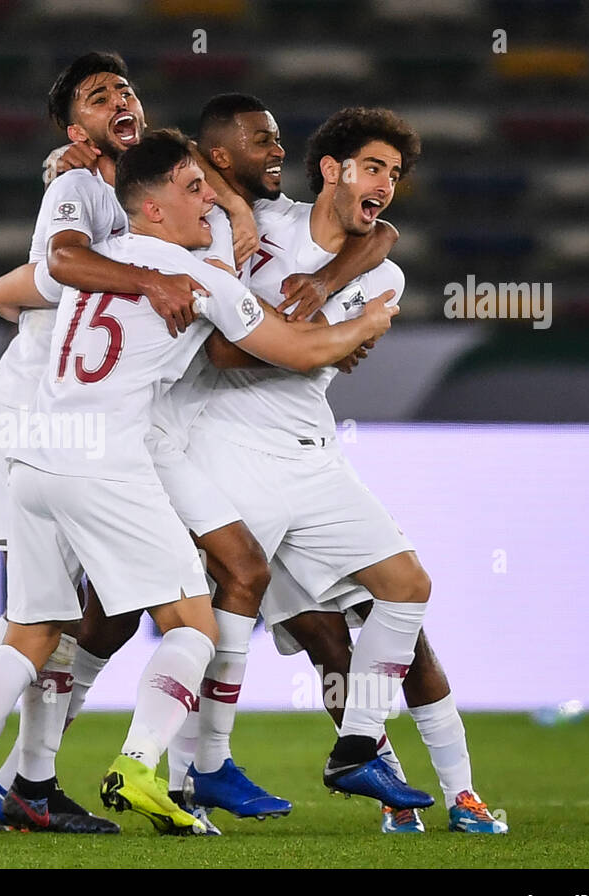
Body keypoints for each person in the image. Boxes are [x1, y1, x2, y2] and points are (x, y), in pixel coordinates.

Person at [0, 129, 395, 837]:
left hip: (38, 455)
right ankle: (138, 766)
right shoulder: (200, 281)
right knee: (194, 624)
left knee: (32, 634)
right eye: (194, 189)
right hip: (107, 460)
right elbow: (300, 348)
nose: (210, 202)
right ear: (154, 207)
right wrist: (367, 323)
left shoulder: (87, 262)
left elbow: (6, 293)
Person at [194, 96, 507, 833]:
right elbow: (228, 351)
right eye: (372, 167)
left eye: (394, 173)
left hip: (313, 457)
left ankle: (379, 758)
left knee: (405, 594)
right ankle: (173, 781)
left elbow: (284, 348)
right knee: (304, 636)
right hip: (228, 452)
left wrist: (328, 297)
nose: (385, 183)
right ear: (331, 170)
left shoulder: (384, 278)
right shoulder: (260, 223)